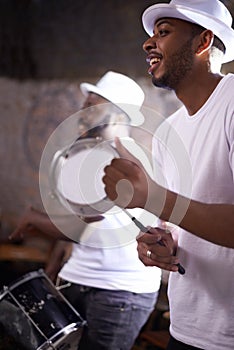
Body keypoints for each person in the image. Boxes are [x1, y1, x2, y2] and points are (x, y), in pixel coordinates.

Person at [102, 1, 234, 349]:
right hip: (186, 328)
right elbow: (183, 221)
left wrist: (154, 196)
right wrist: (161, 243)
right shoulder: (168, 131)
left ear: (203, 42)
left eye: (163, 33)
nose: (148, 43)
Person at [10, 71, 162, 350]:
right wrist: (54, 269)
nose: (81, 113)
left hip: (119, 293)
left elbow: (80, 227)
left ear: (117, 115)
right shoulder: (79, 156)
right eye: (83, 105)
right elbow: (72, 219)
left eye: (92, 106)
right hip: (75, 281)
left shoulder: (129, 162)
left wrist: (33, 218)